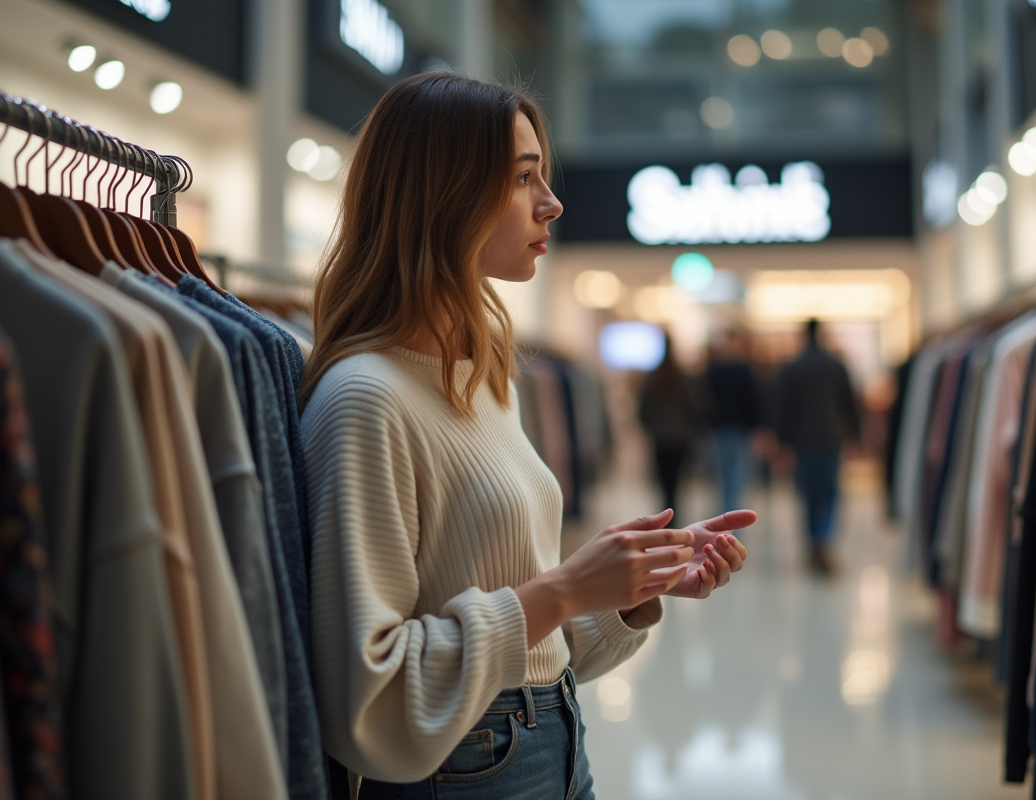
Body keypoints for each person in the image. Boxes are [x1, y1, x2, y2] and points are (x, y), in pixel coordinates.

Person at [298, 73, 753, 800]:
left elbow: (529, 640)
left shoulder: (481, 378)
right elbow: (371, 699)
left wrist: (627, 589)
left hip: (551, 739)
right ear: (442, 192)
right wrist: (566, 587)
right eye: (522, 179)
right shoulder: (366, 399)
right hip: (464, 770)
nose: (552, 202)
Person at [774, 318, 860, 575]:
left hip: (802, 441)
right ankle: (823, 539)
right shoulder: (836, 366)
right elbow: (849, 404)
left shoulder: (792, 367)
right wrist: (854, 436)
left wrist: (783, 443)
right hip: (831, 438)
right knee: (829, 493)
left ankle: (813, 542)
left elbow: (783, 408)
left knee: (808, 494)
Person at [638, 334, 705, 514]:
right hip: (679, 438)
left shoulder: (653, 377)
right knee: (676, 483)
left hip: (660, 438)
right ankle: (673, 516)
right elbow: (694, 406)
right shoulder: (682, 376)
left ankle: (665, 516)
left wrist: (651, 427)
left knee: (663, 483)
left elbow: (643, 409)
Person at [703, 328, 764, 521]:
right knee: (735, 480)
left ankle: (724, 520)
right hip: (737, 431)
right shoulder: (743, 370)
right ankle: (731, 523)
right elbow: (753, 402)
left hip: (720, 431)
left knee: (722, 480)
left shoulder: (713, 370)